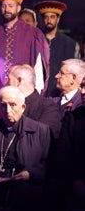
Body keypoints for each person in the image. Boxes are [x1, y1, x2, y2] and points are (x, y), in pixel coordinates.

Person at [0, 0, 50, 123]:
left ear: (18, 8)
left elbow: (38, 67)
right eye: (3, 6)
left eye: (11, 6)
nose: (7, 9)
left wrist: (36, 93)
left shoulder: (33, 34)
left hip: (24, 92)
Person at [34, 0, 80, 97]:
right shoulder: (36, 42)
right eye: (46, 17)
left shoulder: (70, 44)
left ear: (58, 19)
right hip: (39, 93)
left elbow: (77, 72)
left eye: (52, 17)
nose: (49, 20)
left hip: (63, 93)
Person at [53, 77, 85, 210]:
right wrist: (77, 180)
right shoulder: (72, 117)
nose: (82, 91)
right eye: (82, 86)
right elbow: (63, 154)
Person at [7, 64, 62, 139]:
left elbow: (43, 137)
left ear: (19, 81)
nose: (6, 84)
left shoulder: (48, 107)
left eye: (9, 80)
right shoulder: (7, 106)